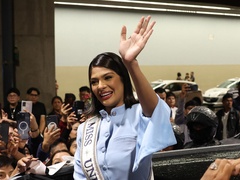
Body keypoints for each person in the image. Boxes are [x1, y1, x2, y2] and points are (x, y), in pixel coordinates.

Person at [74, 16, 175, 179]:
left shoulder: (140, 114)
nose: (100, 86)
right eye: (94, 81)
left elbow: (158, 112)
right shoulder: (85, 130)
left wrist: (131, 64)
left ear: (122, 79)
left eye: (108, 77)